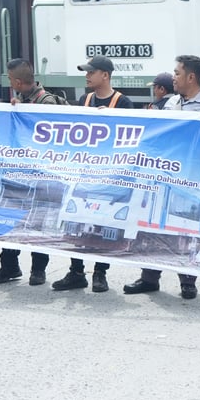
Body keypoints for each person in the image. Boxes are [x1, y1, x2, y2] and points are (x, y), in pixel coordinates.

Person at [124, 54, 200, 300]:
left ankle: (188, 282)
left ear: (191, 77)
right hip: (165, 173)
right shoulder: (171, 103)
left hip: (193, 176)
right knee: (153, 231)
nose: (173, 78)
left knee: (186, 232)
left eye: (177, 73)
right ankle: (149, 278)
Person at [53, 55, 134, 293]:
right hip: (86, 172)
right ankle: (76, 272)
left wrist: (111, 119)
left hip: (111, 176)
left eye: (91, 72)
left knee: (105, 222)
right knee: (78, 220)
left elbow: (131, 136)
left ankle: (100, 273)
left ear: (105, 75)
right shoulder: (84, 99)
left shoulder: (122, 102)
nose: (87, 76)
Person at [0, 58, 64, 286]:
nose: (10, 84)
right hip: (20, 174)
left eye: (11, 80)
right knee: (11, 219)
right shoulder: (21, 101)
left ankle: (38, 270)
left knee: (37, 223)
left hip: (42, 175)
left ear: (19, 82)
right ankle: (9, 266)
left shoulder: (46, 103)